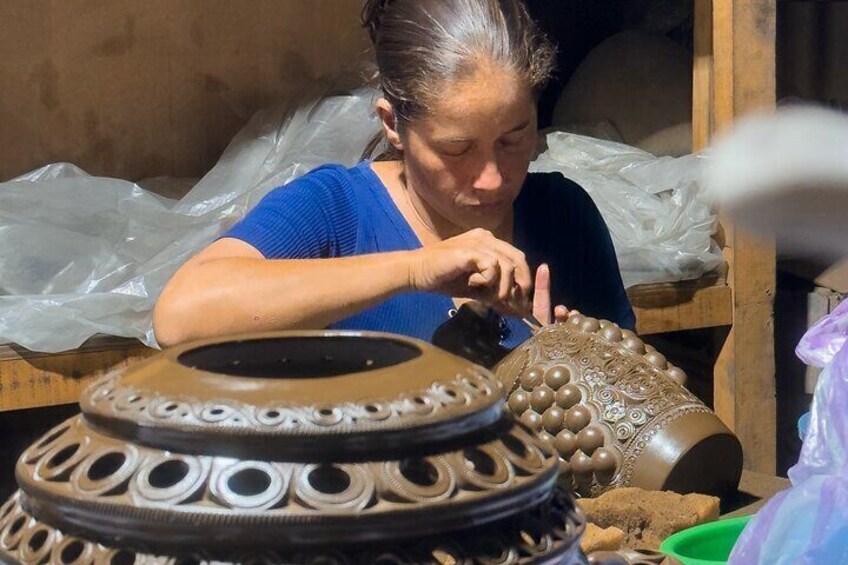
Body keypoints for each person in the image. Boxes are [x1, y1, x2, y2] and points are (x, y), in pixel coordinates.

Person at [153, 0, 635, 348]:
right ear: (394, 125)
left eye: (513, 138)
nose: (492, 177)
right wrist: (415, 270)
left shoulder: (564, 216)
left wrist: (579, 364)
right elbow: (181, 315)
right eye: (456, 148)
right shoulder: (336, 211)